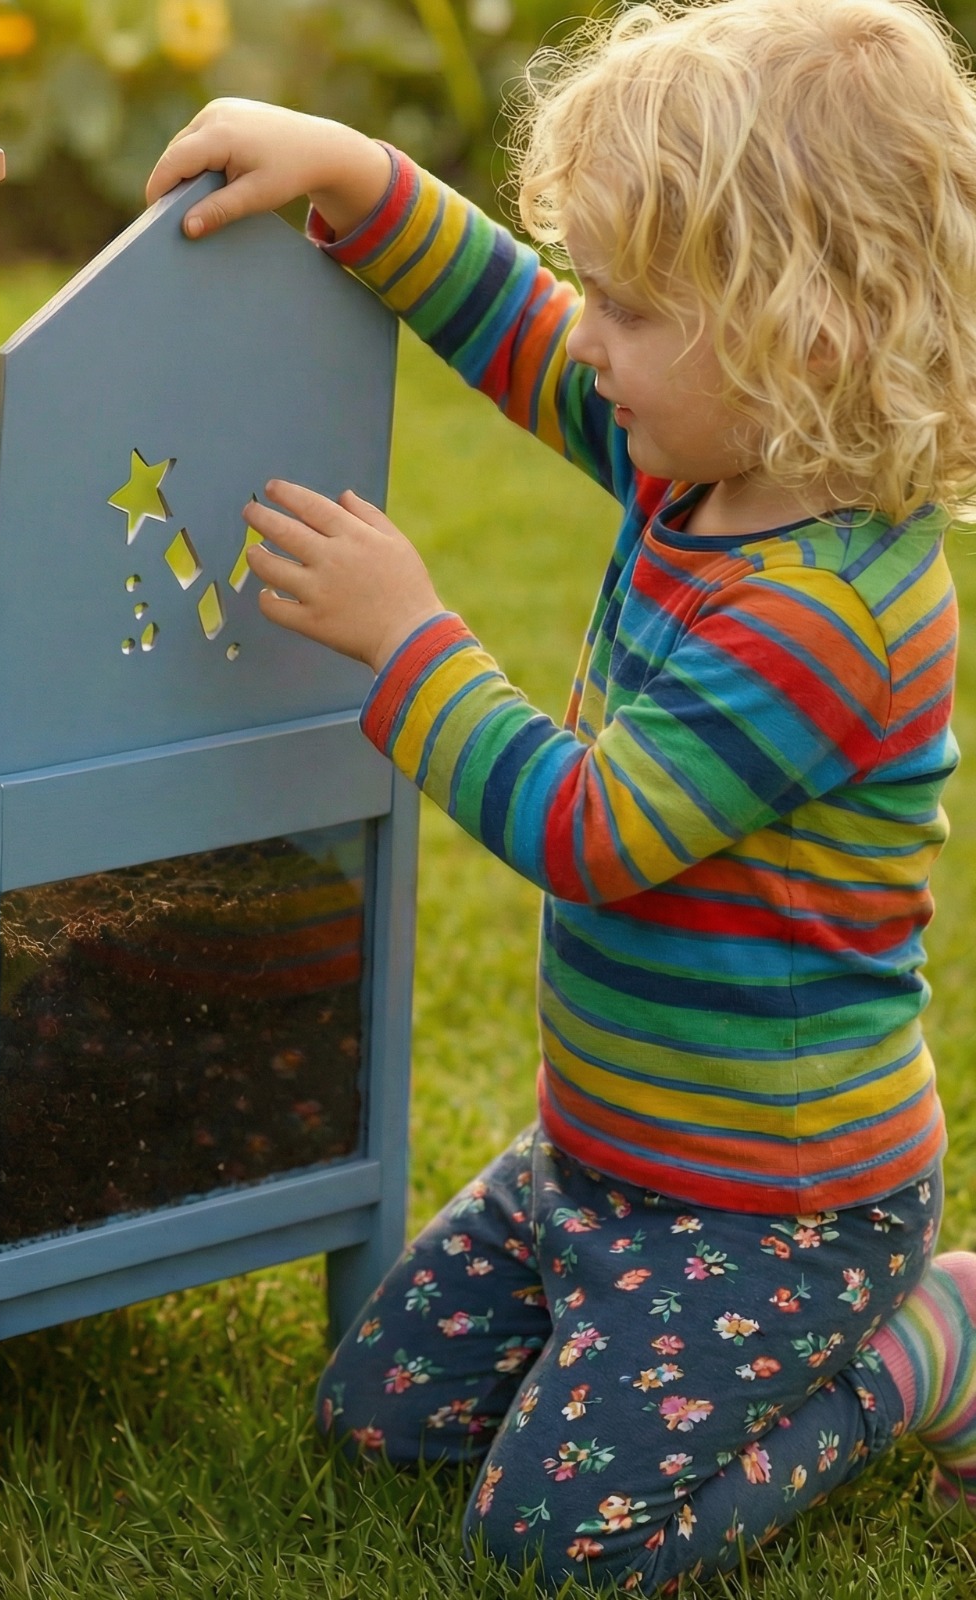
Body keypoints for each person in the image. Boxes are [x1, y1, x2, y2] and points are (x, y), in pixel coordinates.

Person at [146, 0, 976, 1591]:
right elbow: (518, 332)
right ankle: (616, 1323)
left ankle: (928, 1345)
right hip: (597, 1163)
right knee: (378, 1423)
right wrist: (355, 174)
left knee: (556, 1543)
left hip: (775, 1211)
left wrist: (413, 646)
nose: (589, 336)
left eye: (635, 306)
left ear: (806, 330)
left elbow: (596, 838)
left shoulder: (830, 616)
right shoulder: (707, 463)